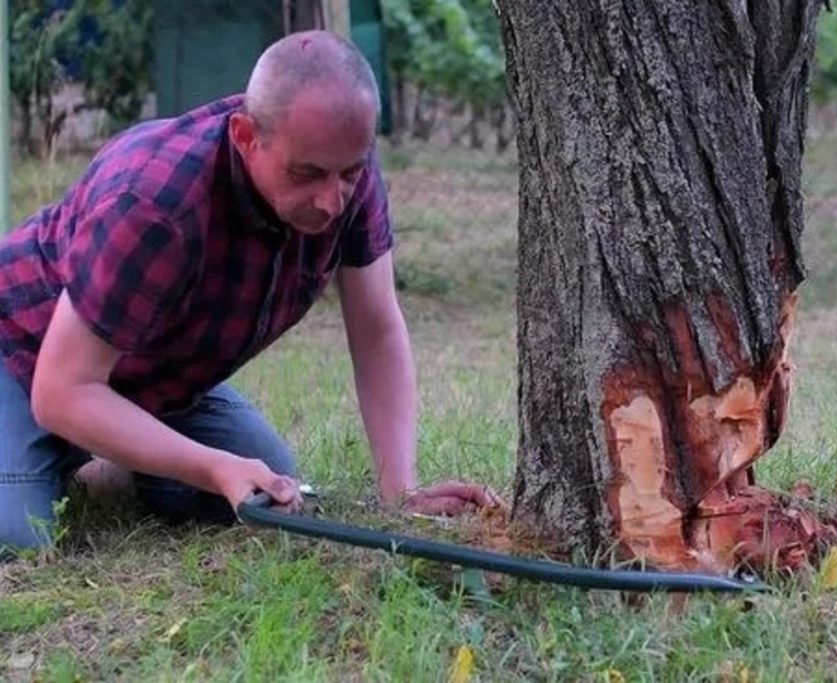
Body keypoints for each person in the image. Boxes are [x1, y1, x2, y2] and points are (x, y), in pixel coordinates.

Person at [0, 30, 496, 554]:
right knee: (19, 537)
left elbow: (376, 327)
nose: (331, 201)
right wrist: (212, 464)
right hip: (21, 354)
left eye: (349, 172)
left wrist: (400, 489)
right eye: (306, 174)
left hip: (151, 377)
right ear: (244, 136)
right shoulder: (154, 200)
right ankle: (54, 454)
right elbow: (61, 390)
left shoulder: (347, 175)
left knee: (273, 495)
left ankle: (104, 459)